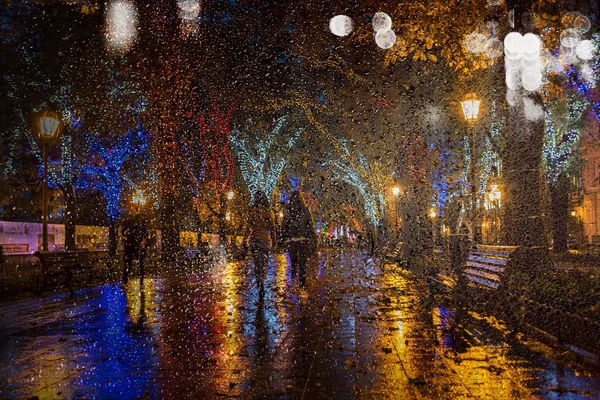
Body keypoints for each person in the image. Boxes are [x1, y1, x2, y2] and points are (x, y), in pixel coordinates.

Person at [282, 190, 317, 288]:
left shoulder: (288, 210)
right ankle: (302, 285)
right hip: (303, 240)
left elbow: (285, 226)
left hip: (292, 241)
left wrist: (285, 239)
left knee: (293, 263)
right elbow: (310, 226)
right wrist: (314, 240)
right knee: (303, 264)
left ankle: (293, 283)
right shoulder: (305, 210)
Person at [246, 190, 276, 299]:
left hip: (254, 240)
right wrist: (275, 241)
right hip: (264, 240)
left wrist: (245, 239)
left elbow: (248, 227)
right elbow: (272, 228)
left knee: (257, 263)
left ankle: (259, 282)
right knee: (264, 263)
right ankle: (262, 280)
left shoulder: (252, 211)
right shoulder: (268, 211)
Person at [122, 212, 149, 283]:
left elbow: (123, 231)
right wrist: (141, 241)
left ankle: (125, 278)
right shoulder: (141, 225)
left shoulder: (130, 223)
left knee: (128, 263)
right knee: (141, 262)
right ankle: (141, 276)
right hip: (136, 245)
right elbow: (145, 234)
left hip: (131, 244)